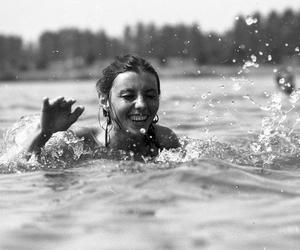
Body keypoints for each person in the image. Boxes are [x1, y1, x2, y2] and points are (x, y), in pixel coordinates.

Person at [23, 55, 180, 161]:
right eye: (128, 96)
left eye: (150, 96)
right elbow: (20, 166)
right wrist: (44, 133)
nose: (141, 104)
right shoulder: (81, 142)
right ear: (104, 100)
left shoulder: (165, 140)